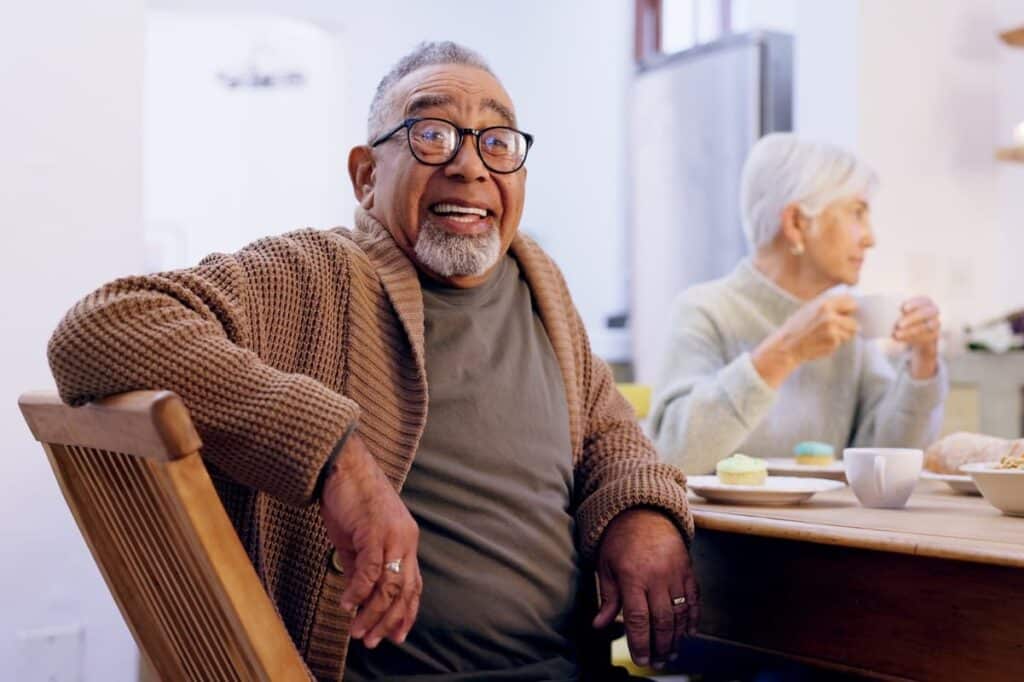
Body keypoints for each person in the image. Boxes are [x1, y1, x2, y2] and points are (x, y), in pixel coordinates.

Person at [47, 41, 698, 681]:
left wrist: (640, 511)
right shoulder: (315, 275)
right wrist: (335, 455)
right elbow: (99, 327)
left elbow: (609, 433)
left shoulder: (539, 285)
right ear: (365, 176)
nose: (470, 167)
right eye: (432, 134)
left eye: (496, 142)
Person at [650, 133, 947, 475]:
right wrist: (785, 352)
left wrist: (924, 362)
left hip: (828, 528)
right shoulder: (703, 310)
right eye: (857, 213)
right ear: (795, 223)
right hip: (723, 529)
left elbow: (884, 463)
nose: (871, 237)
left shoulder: (848, 323)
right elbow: (673, 457)